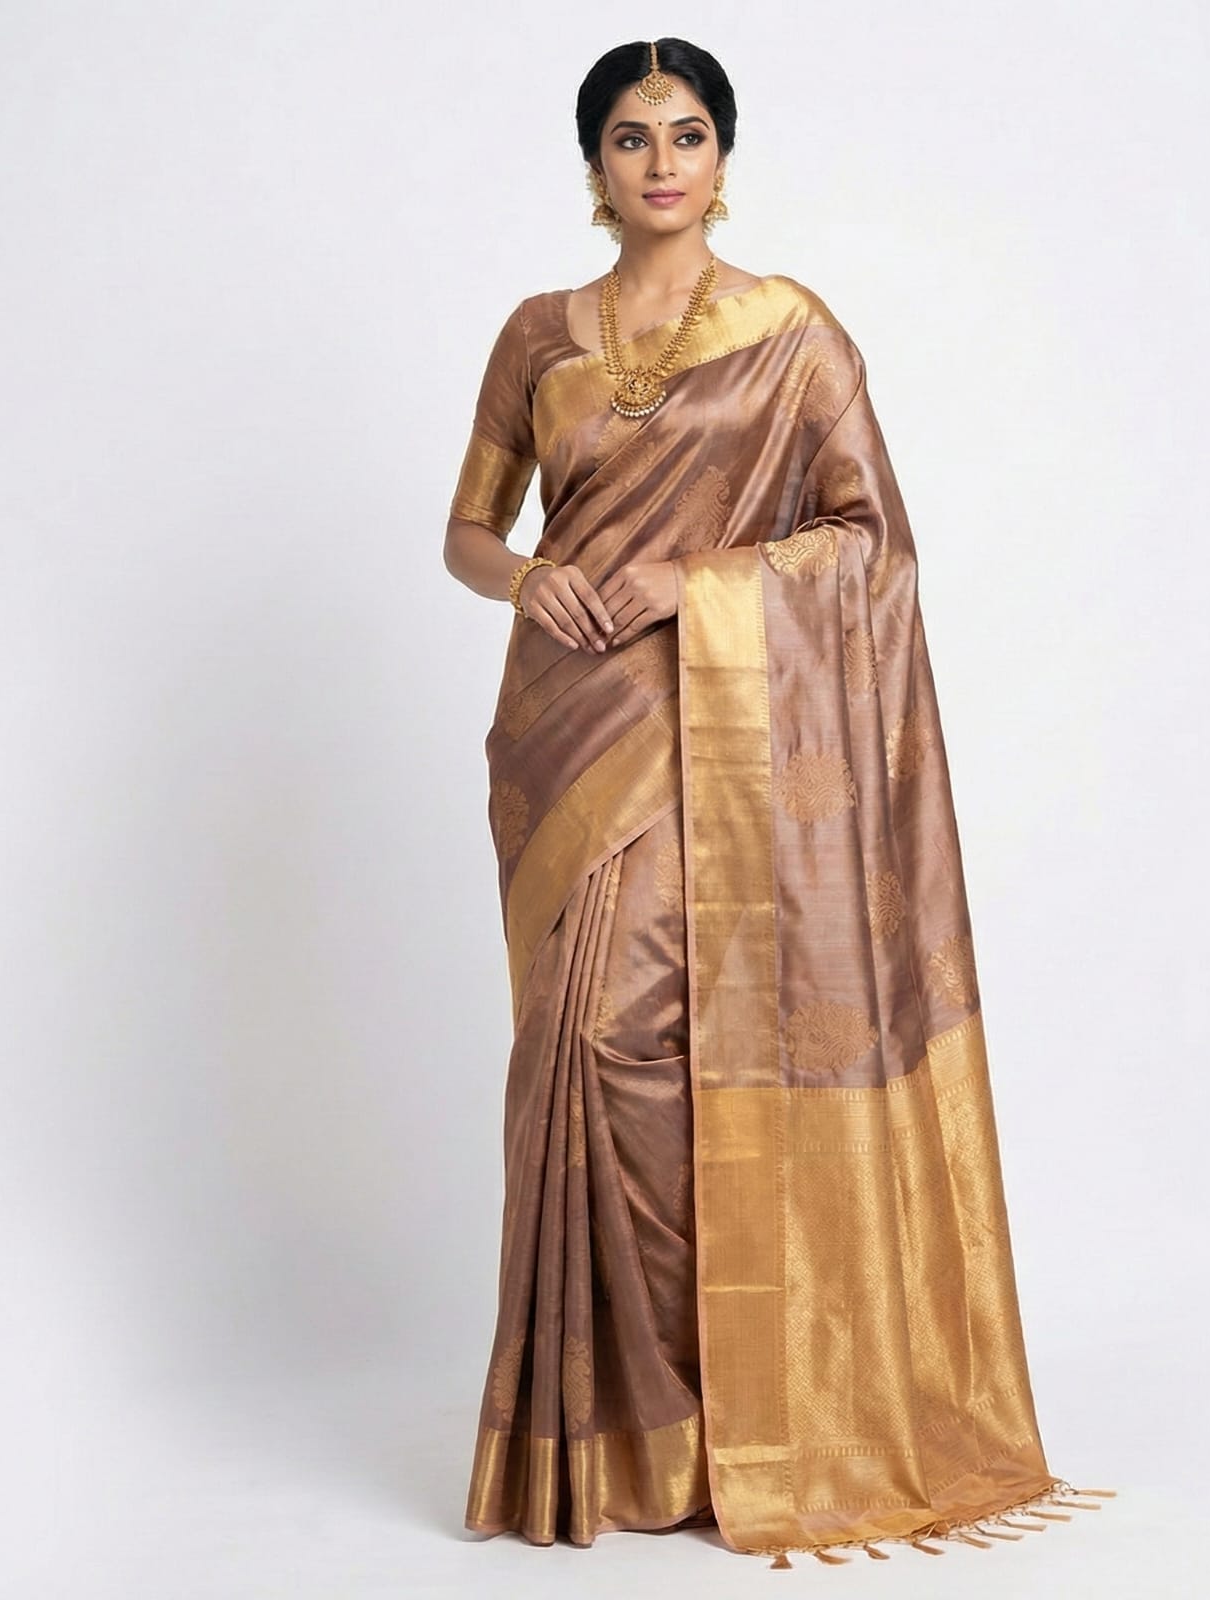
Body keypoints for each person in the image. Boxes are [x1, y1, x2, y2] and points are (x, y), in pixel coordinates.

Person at [440, 36, 1115, 1569]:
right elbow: (468, 532)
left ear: (725, 158)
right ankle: (621, 1433)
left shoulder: (792, 333)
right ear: (594, 164)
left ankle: (738, 1413)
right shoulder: (537, 336)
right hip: (564, 730)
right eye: (632, 137)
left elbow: (871, 543)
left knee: (667, 1044)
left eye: (687, 134)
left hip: (718, 723)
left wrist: (692, 584)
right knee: (572, 1056)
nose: (662, 161)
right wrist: (532, 581)